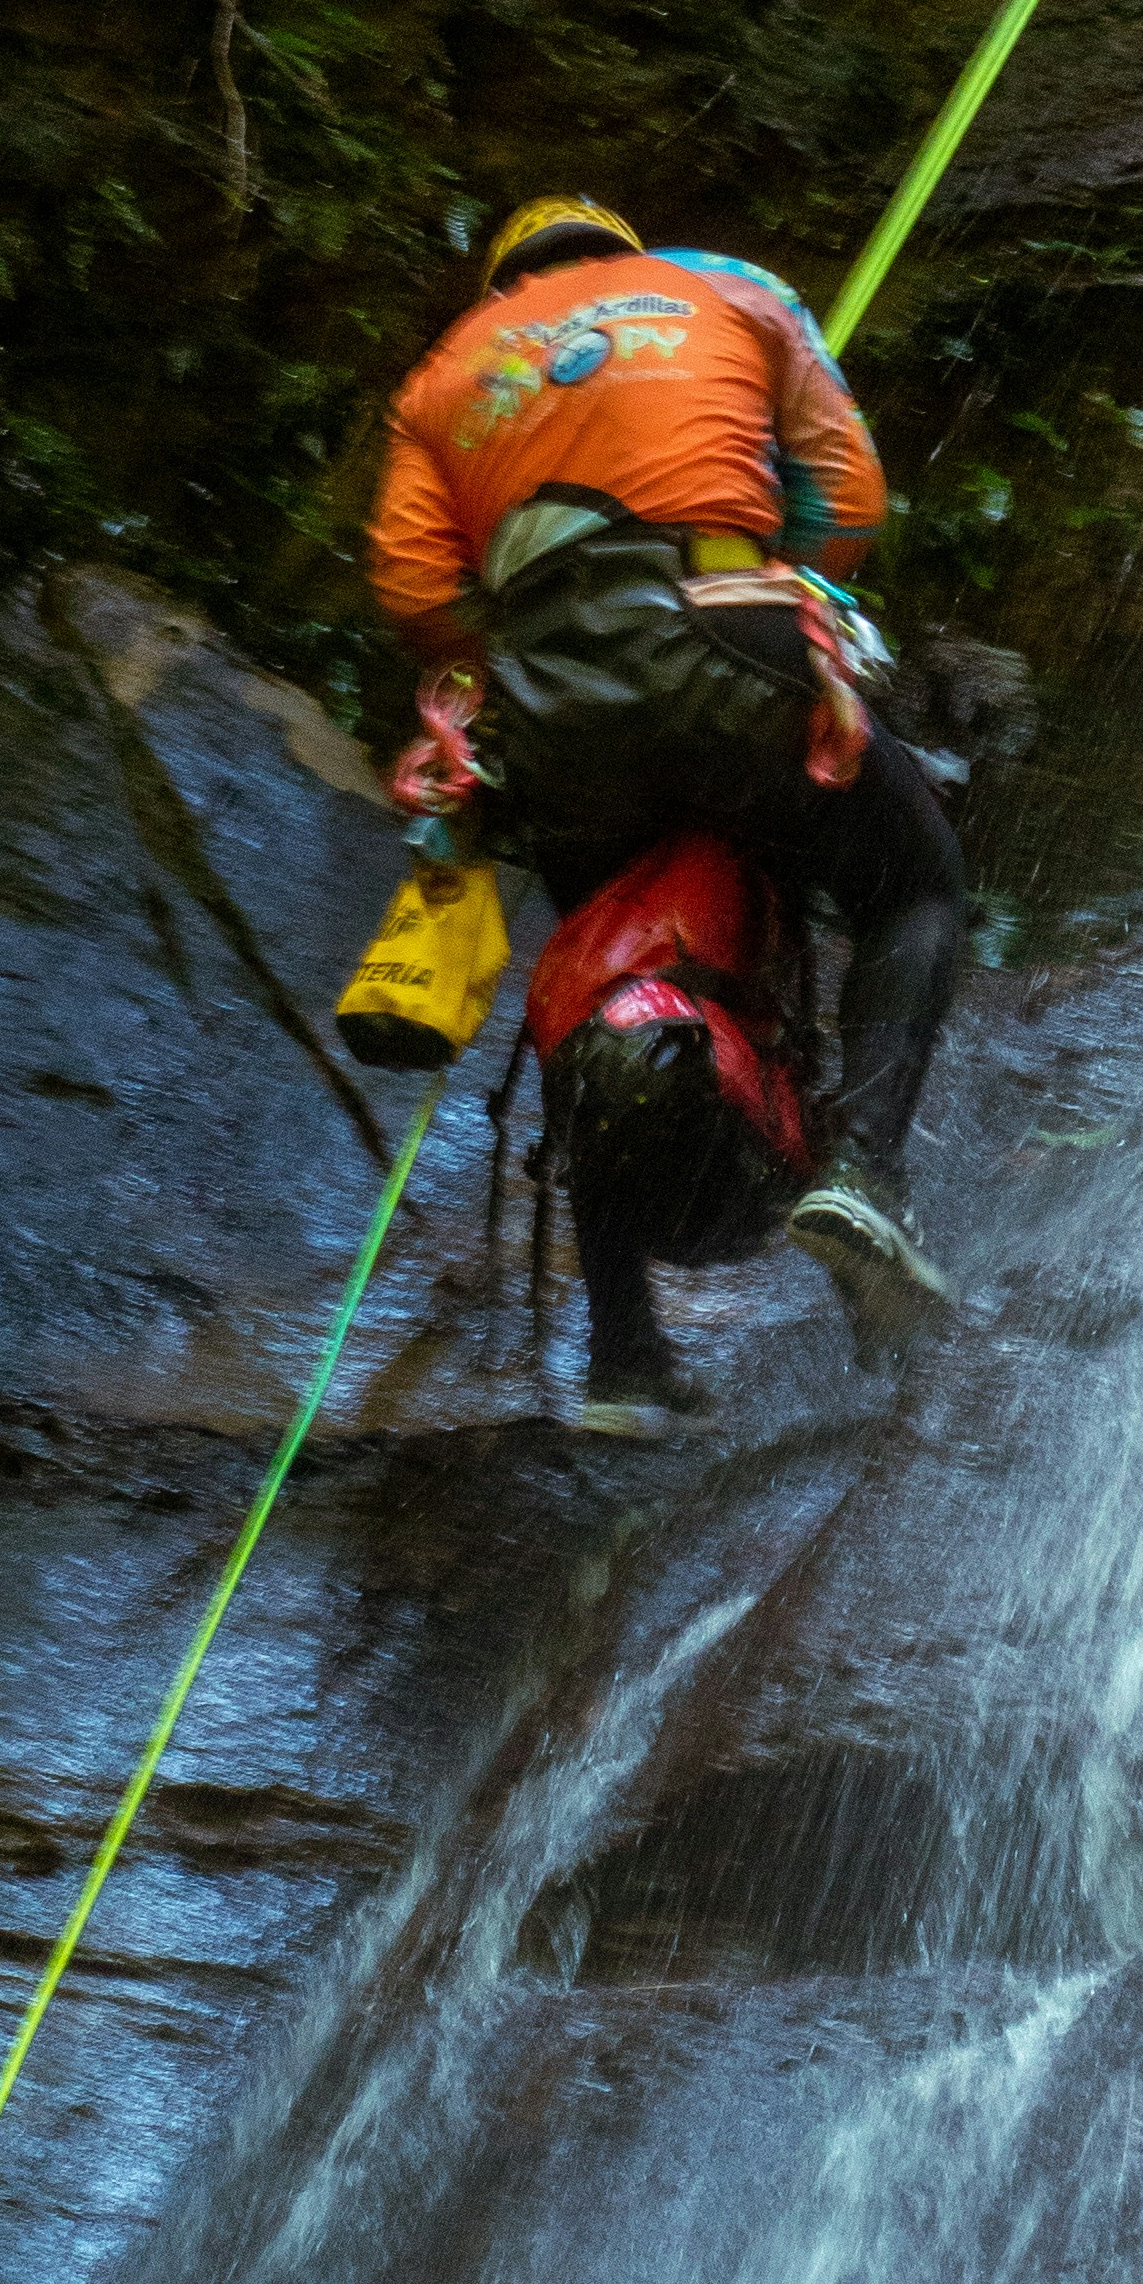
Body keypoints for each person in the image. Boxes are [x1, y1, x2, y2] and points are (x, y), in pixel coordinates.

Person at [370, 193, 965, 1413]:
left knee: (594, 972)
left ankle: (623, 1355)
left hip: (546, 711)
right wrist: (744, 545)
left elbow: (417, 593)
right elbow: (850, 505)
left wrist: (543, 632)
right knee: (913, 884)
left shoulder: (442, 381)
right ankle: (862, 1175)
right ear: (621, 255)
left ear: (505, 284)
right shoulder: (726, 290)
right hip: (727, 645)